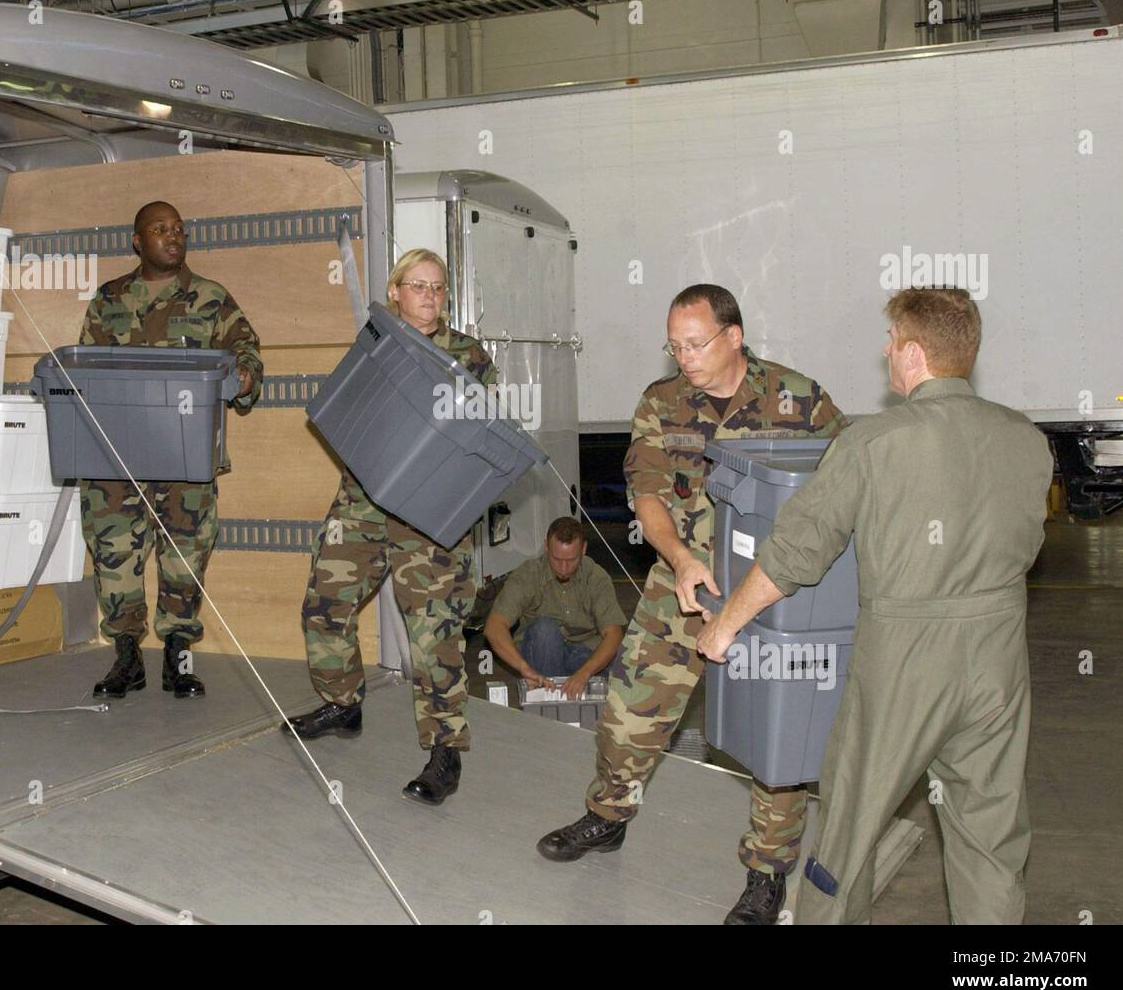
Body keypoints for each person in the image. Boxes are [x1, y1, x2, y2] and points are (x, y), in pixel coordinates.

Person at [696, 288, 1052, 925]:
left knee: (848, 835)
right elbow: (1028, 544)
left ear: (914, 355)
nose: (885, 352)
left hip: (906, 660)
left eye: (891, 343)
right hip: (999, 659)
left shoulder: (873, 442)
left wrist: (726, 625)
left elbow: (794, 555)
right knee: (991, 841)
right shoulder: (1025, 438)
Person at [535, 283, 846, 927]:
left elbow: (841, 494)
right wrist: (680, 558)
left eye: (696, 343)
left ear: (734, 335)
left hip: (771, 602)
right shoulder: (662, 401)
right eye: (674, 345)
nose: (684, 357)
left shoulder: (801, 399)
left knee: (775, 747)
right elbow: (645, 495)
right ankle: (608, 815)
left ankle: (767, 875)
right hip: (680, 588)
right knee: (627, 716)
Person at [285, 248, 498, 806]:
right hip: (363, 501)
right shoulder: (376, 342)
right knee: (323, 604)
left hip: (429, 512)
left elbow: (480, 431)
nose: (429, 296)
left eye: (438, 288)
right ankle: (343, 702)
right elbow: (346, 408)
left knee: (434, 637)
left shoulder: (467, 355)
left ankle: (444, 752)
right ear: (396, 291)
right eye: (418, 286)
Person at [79, 200, 263, 700]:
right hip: (116, 460)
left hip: (186, 458)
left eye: (179, 229)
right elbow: (85, 369)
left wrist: (244, 376)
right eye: (161, 229)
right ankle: (126, 657)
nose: (173, 236)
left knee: (185, 559)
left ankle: (178, 661)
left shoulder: (211, 298)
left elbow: (246, 351)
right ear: (137, 241)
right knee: (115, 556)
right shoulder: (108, 299)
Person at [482, 517, 626, 698]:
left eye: (571, 560)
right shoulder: (528, 574)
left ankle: (582, 706)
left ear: (583, 549)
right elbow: (494, 627)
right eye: (556, 559)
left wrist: (585, 674)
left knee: (626, 661)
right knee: (545, 630)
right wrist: (523, 668)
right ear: (546, 548)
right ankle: (549, 701)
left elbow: (613, 634)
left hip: (581, 656)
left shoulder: (596, 577)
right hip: (541, 652)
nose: (564, 568)